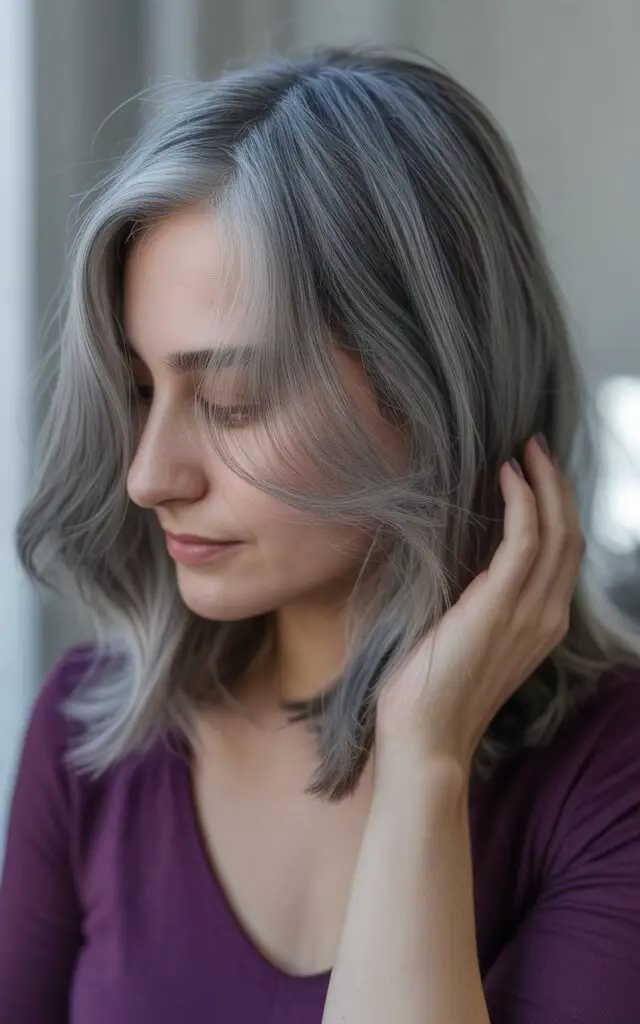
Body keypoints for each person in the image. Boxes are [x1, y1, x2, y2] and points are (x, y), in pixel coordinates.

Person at [1, 44, 639, 1024]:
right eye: (139, 391)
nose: (146, 476)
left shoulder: (613, 773)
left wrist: (422, 761)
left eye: (231, 397)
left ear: (432, 391)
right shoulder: (91, 734)